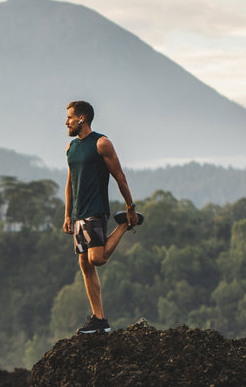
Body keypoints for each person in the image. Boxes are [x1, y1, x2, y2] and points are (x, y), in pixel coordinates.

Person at [63, 100, 143, 334]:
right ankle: (99, 319)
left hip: (95, 208)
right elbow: (70, 182)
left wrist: (130, 206)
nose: (65, 122)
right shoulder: (71, 148)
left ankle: (122, 227)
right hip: (78, 213)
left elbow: (120, 176)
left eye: (69, 117)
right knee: (84, 263)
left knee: (97, 259)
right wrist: (67, 214)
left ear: (82, 119)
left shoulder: (101, 143)